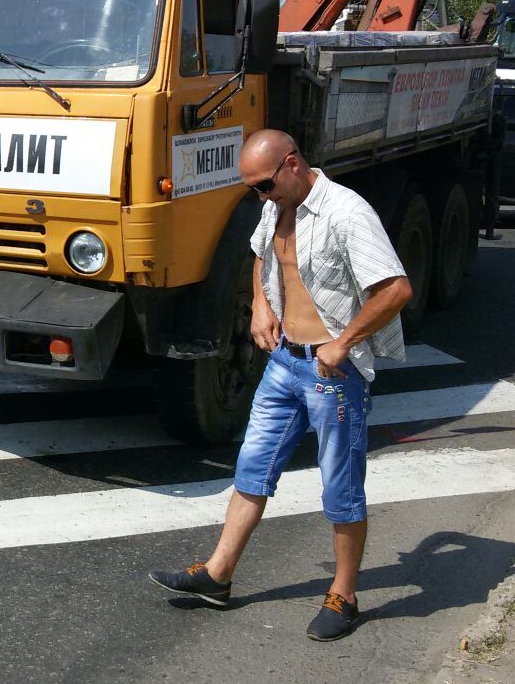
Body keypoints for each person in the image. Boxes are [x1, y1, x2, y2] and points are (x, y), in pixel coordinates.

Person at [148, 129, 413, 642]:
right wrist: (261, 305)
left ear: (292, 164)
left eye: (264, 185)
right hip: (284, 363)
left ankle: (344, 596)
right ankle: (218, 575)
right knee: (252, 467)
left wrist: (343, 343)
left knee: (340, 486)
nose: (259, 196)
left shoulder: (346, 213)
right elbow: (260, 254)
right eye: (251, 188)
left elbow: (396, 289)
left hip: (332, 375)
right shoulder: (276, 206)